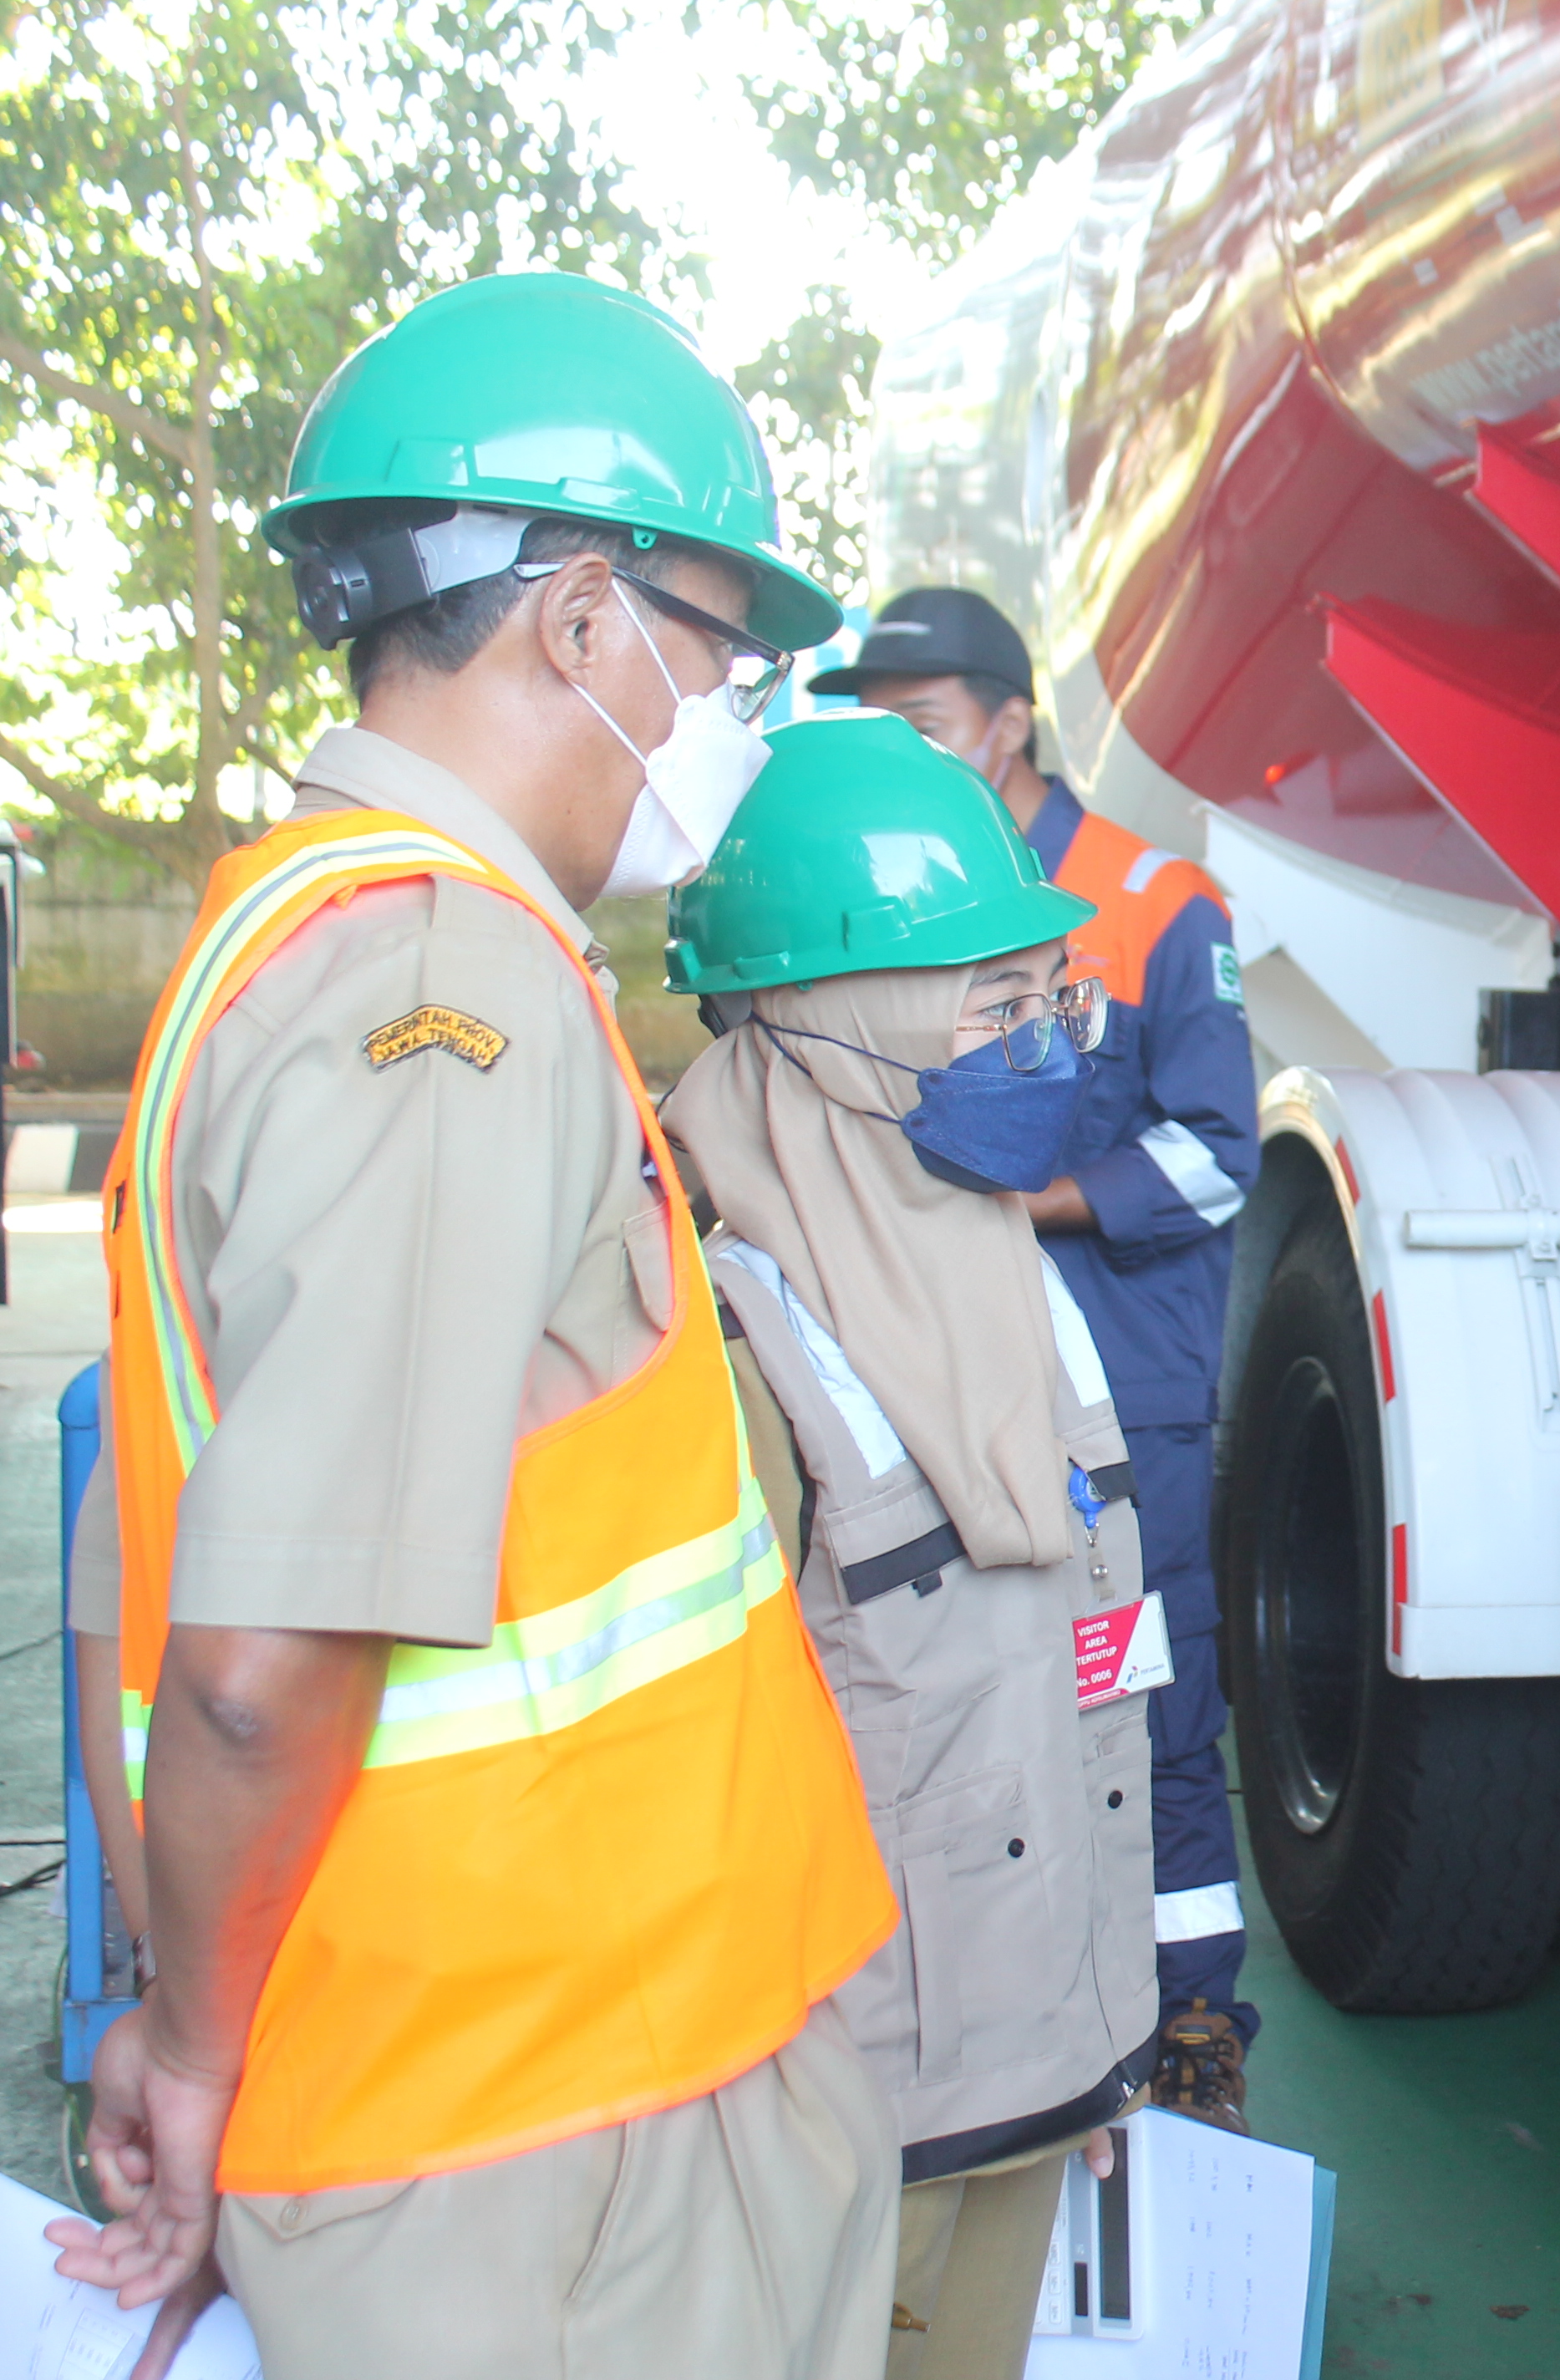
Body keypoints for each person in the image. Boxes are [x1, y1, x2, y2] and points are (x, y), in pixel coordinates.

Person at [53, 272, 900, 2380]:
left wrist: (193, 2010)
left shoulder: (290, 933)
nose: (728, 721)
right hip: (560, 2135)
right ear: (584, 620)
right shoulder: (447, 985)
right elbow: (259, 1660)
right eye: (722, 655)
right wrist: (190, 2045)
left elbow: (138, 1562)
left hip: (496, 2093)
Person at [663, 711, 1160, 2379]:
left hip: (1043, 2077)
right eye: (989, 1006)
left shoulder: (1021, 1287)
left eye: (1050, 1000)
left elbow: (1097, 1682)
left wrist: (1109, 2034)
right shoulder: (725, 1352)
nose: (1042, 1051)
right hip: (836, 2129)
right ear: (830, 1026)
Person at [810, 588, 1260, 2125]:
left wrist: (1030, 1201)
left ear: (1010, 722)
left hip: (1120, 1397)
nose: (898, 749)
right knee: (973, 1703)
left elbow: (1216, 1156)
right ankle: (1018, 2023)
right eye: (875, 725)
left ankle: (1188, 2019)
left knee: (1148, 1696)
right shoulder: (887, 907)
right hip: (940, 1385)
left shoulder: (1151, 903)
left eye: (924, 721)